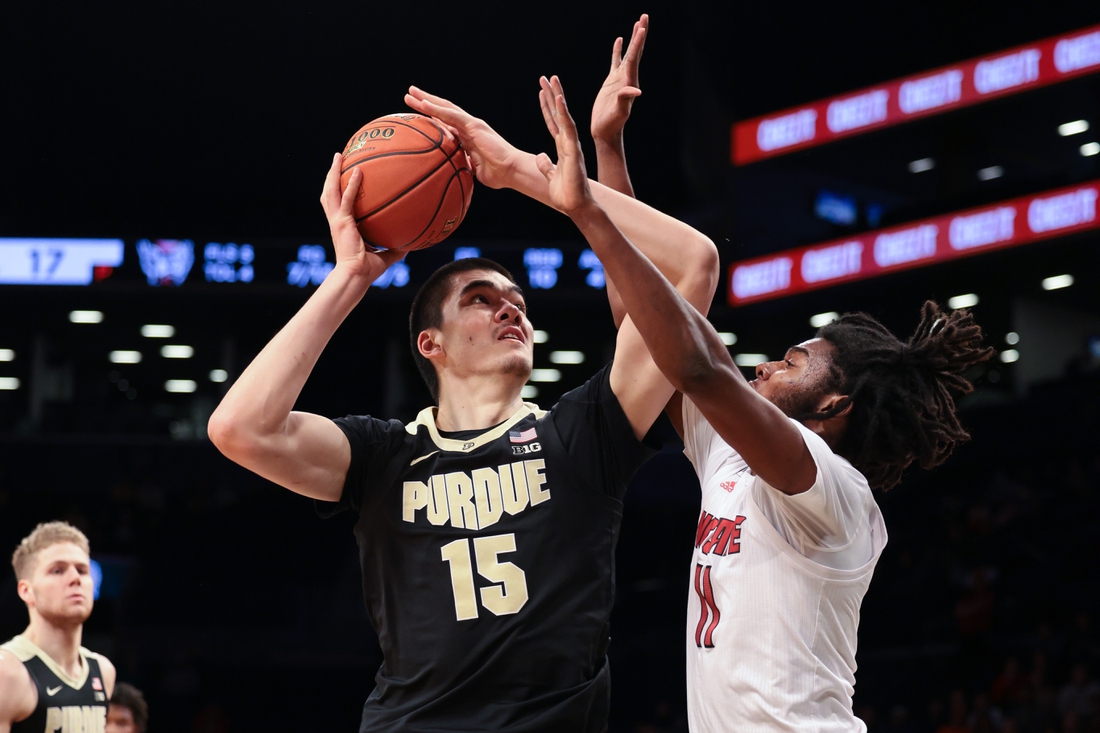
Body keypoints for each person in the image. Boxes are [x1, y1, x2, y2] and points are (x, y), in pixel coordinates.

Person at [207, 18, 717, 731]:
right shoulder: (385, 457)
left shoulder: (582, 433)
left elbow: (689, 265)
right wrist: (351, 277)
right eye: (480, 301)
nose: (511, 311)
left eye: (518, 302)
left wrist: (529, 174)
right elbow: (238, 427)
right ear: (431, 344)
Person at [529, 71, 995, 732]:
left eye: (793, 361)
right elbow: (645, 335)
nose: (769, 362)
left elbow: (695, 360)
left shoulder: (832, 487)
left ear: (834, 404)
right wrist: (610, 154)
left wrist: (586, 210)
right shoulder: (733, 456)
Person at [0, 521, 117, 733]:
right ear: (26, 591)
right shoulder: (6, 672)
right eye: (57, 570)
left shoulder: (103, 671)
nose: (75, 578)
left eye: (82, 570)